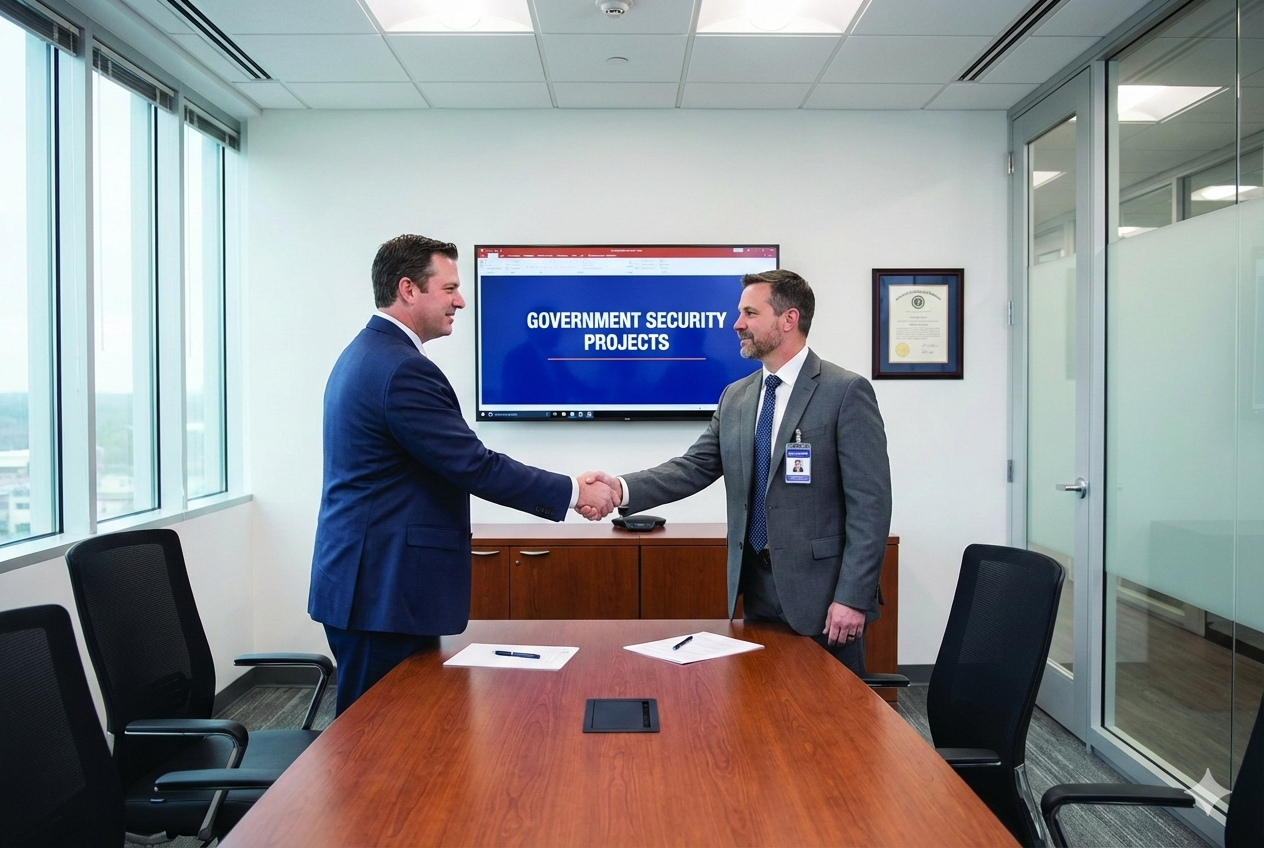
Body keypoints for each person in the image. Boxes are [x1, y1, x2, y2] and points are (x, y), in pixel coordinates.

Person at [310, 235, 617, 714]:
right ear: (408, 289)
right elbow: (473, 464)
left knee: (397, 735)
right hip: (381, 591)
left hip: (373, 585)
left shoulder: (372, 354)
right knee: (376, 743)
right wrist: (575, 491)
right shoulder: (400, 368)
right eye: (449, 287)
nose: (461, 299)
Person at [583, 269, 891, 673]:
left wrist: (852, 597)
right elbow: (694, 467)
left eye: (749, 313)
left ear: (789, 319)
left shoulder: (845, 391)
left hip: (825, 599)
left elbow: (871, 505)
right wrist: (620, 488)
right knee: (761, 715)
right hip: (757, 590)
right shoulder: (737, 396)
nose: (737, 324)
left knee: (828, 727)